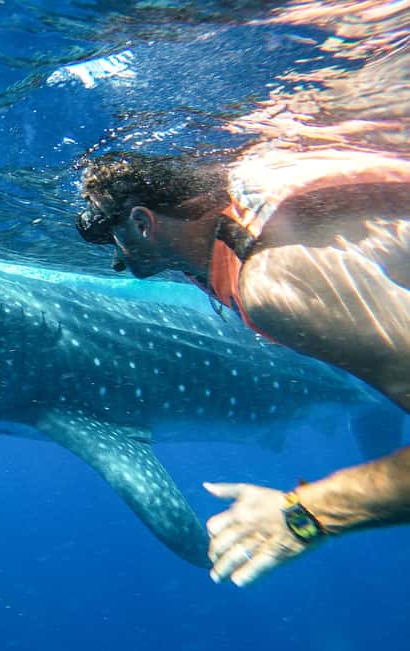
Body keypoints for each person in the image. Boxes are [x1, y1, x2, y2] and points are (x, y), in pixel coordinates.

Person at [76, 150, 409, 586]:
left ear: (143, 222)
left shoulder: (273, 284)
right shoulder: (240, 207)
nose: (117, 259)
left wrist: (305, 515)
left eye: (114, 236)